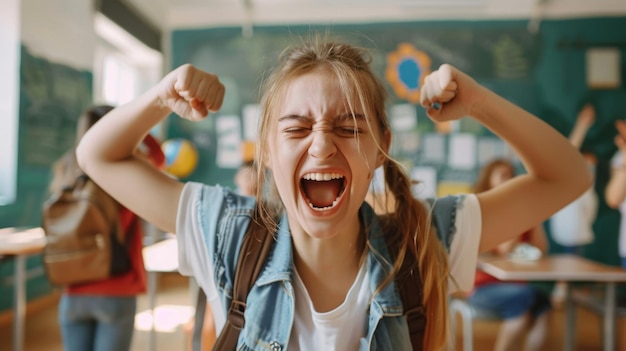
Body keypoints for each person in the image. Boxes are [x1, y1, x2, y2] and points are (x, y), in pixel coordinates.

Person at [75, 39, 591, 350]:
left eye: (349, 127)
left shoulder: (424, 239)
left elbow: (567, 176)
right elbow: (97, 156)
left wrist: (477, 102)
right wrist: (160, 96)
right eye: (296, 128)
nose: (322, 144)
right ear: (269, 153)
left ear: (381, 149)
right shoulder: (225, 231)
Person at [49, 105, 164, 351]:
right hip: (117, 290)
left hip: (73, 292)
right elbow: (159, 157)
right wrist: (135, 122)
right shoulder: (126, 171)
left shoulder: (66, 170)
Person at [468, 158, 552, 351]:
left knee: (543, 304)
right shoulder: (485, 212)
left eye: (511, 176)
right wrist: (519, 213)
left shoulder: (522, 212)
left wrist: (534, 215)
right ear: (488, 180)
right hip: (483, 288)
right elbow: (505, 249)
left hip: (516, 285)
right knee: (524, 302)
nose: (509, 180)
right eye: (503, 176)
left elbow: (541, 248)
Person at [549, 103, 598, 305]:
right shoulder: (569, 171)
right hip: (568, 222)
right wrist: (583, 124)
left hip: (579, 221)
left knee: (574, 257)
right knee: (566, 258)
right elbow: (570, 150)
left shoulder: (588, 180)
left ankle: (568, 290)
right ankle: (561, 290)